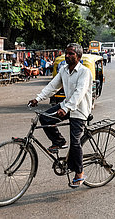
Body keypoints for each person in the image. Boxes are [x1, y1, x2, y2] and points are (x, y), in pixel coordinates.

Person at [28, 43, 92, 188]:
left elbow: (79, 93)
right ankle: (59, 141)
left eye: (71, 54)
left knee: (75, 142)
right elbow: (52, 86)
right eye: (66, 53)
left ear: (78, 56)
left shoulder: (84, 72)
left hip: (79, 110)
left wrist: (67, 108)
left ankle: (79, 173)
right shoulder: (64, 70)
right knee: (45, 117)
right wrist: (37, 99)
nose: (67, 56)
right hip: (67, 105)